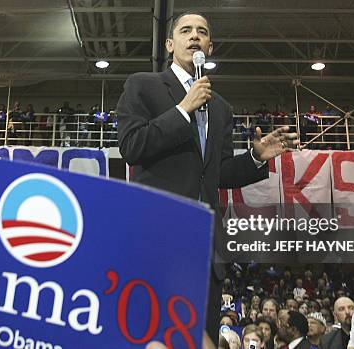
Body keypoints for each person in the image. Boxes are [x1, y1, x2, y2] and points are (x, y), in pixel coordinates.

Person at [117, 11, 298, 341]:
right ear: (171, 44)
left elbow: (217, 174)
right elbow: (132, 146)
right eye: (186, 30)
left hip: (206, 249)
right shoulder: (143, 85)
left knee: (202, 339)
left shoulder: (221, 107)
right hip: (158, 238)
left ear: (210, 48)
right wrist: (183, 110)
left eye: (202, 32)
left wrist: (256, 157)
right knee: (152, 337)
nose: (194, 36)